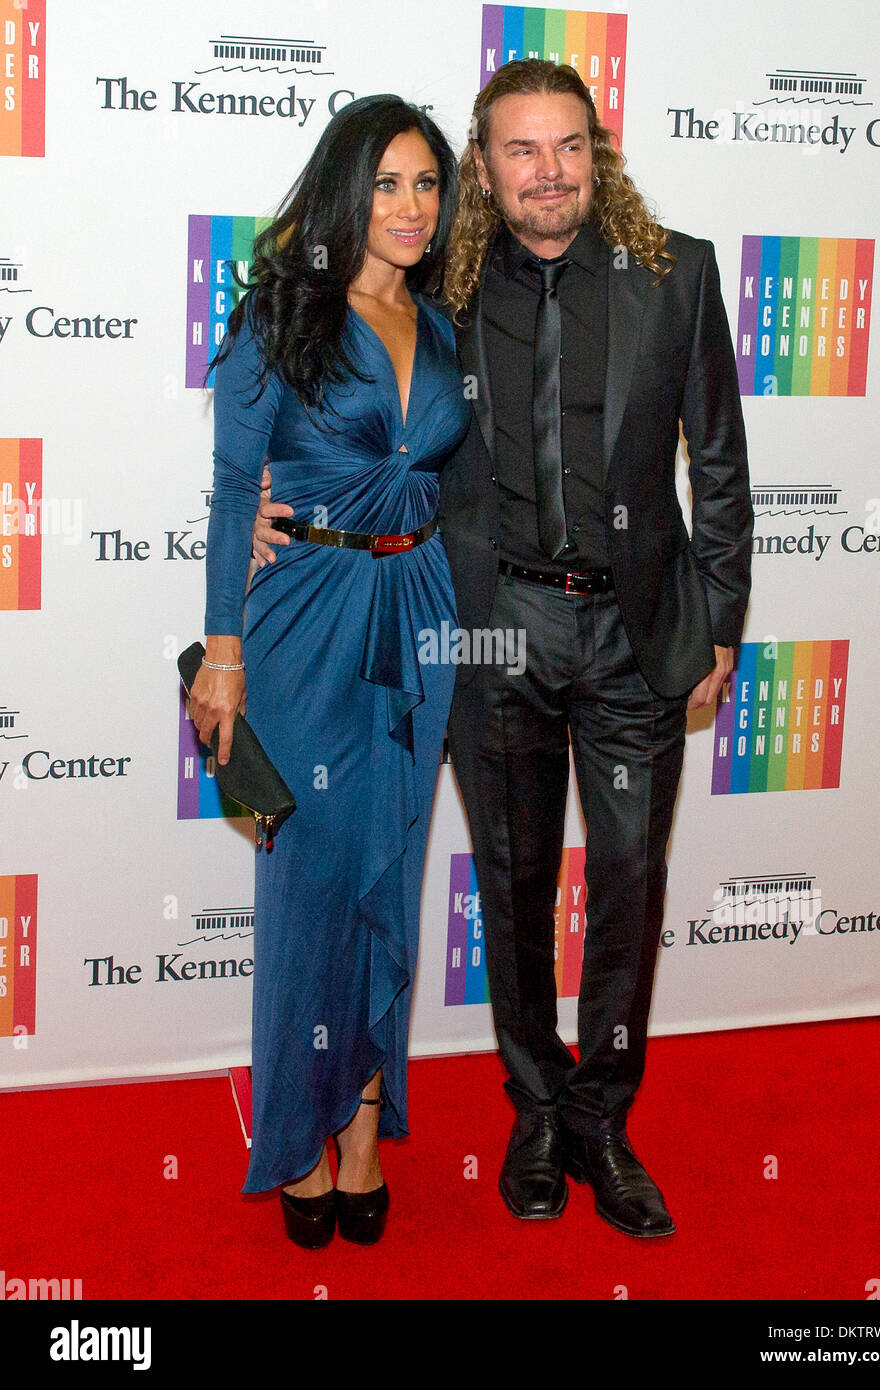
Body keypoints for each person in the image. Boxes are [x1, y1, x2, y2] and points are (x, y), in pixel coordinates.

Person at [254, 60, 752, 1240]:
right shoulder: (447, 288)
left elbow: (721, 468)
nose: (548, 174)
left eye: (568, 147)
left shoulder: (676, 274)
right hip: (489, 632)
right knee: (515, 886)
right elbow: (341, 383)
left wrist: (718, 625)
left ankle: (604, 1122)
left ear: (600, 150)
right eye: (520, 152)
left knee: (628, 890)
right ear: (485, 168)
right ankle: (534, 1111)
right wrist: (274, 492)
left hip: (637, 641)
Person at [190, 94, 469, 1250]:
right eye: (389, 183)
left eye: (428, 185)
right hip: (304, 622)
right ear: (347, 189)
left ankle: (363, 1129)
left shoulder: (443, 323)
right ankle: (298, 1143)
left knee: (389, 882)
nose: (411, 208)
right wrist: (222, 651)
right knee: (308, 895)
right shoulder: (283, 319)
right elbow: (227, 493)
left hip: (420, 616)